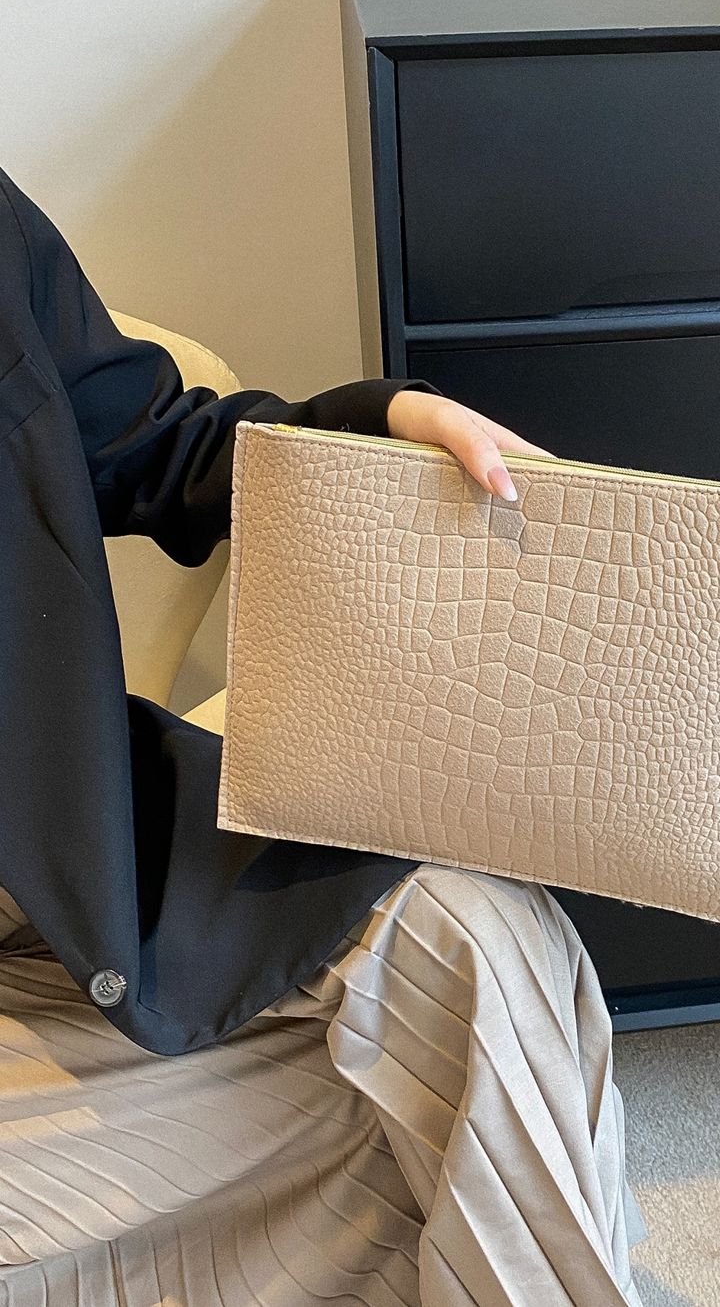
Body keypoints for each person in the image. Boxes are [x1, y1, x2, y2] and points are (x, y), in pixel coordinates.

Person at [0, 166, 649, 1304]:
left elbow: (152, 441)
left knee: (475, 930)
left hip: (66, 858)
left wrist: (388, 420)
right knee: (398, 1121)